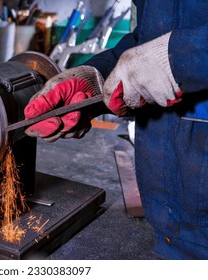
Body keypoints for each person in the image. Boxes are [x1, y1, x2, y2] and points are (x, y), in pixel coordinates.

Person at [23, 0, 208, 259]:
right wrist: (98, 79)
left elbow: (172, 50)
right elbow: (153, 36)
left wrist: (179, 59)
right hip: (169, 220)